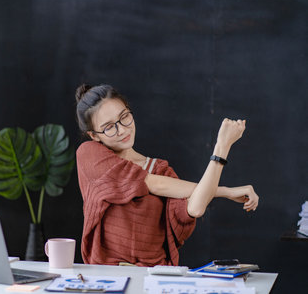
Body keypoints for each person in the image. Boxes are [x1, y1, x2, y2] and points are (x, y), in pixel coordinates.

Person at [75, 84, 259, 267]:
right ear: (94, 135)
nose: (122, 129)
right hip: (107, 278)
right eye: (109, 127)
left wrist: (222, 146)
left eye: (124, 117)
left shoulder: (160, 169)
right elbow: (151, 184)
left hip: (154, 277)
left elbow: (195, 208)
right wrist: (225, 191)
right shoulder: (90, 155)